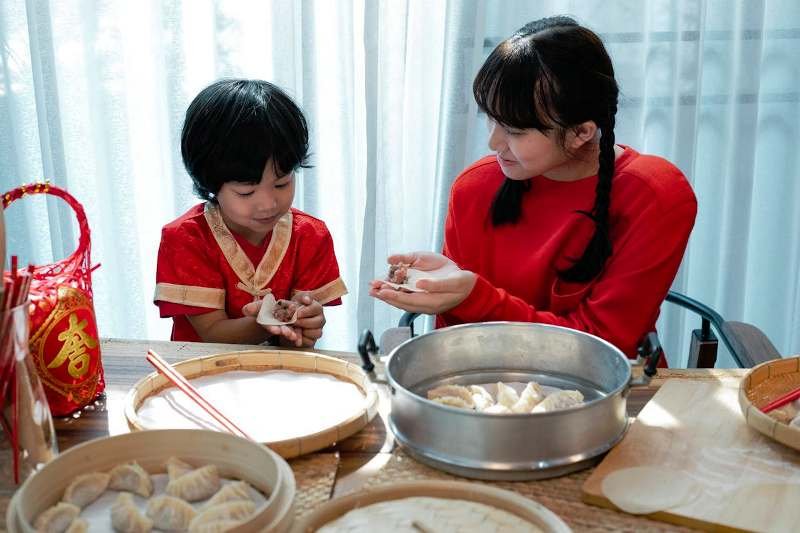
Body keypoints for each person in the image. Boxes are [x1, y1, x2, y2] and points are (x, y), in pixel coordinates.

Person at [370, 16, 697, 360]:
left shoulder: (655, 195)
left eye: (514, 130)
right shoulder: (474, 187)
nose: (494, 142)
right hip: (483, 388)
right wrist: (446, 286)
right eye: (491, 118)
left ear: (581, 132)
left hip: (605, 396)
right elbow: (458, 343)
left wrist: (475, 297)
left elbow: (604, 347)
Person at [155, 79, 347, 347]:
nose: (268, 204)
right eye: (246, 192)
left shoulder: (310, 236)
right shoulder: (186, 238)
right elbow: (212, 333)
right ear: (210, 182)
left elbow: (296, 347)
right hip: (202, 375)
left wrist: (306, 325)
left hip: (280, 377)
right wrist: (270, 322)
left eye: (282, 183)